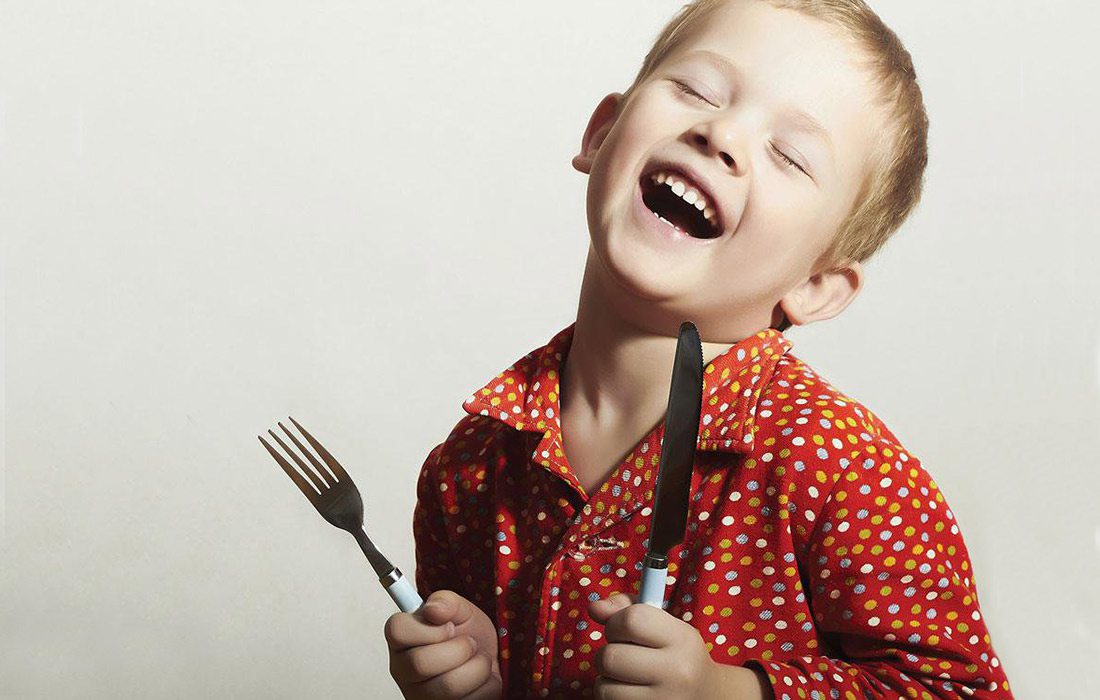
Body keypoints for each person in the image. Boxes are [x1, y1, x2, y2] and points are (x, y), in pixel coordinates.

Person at [384, 1, 1015, 698]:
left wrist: (728, 691)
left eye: (788, 155)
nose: (720, 134)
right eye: (697, 91)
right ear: (602, 133)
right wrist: (473, 680)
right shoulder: (469, 464)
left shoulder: (843, 467)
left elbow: (959, 691)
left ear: (816, 285)